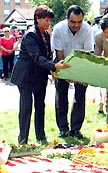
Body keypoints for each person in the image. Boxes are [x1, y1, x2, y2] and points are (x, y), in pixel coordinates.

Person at [10, 5, 70, 144]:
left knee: (40, 106)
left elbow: (47, 55)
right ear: (37, 18)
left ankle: (41, 137)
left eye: (50, 21)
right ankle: (23, 140)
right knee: (26, 107)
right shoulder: (30, 34)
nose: (49, 23)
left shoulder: (47, 34)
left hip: (40, 77)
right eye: (47, 20)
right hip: (25, 76)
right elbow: (36, 57)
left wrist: (53, 68)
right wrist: (53, 66)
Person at [51, 5, 94, 139]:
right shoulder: (58, 29)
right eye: (73, 22)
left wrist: (79, 75)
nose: (76, 25)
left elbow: (87, 55)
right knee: (61, 95)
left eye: (79, 22)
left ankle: (76, 129)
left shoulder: (87, 29)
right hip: (62, 62)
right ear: (66, 19)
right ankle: (63, 128)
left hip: (81, 64)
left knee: (80, 95)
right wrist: (67, 75)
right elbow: (59, 54)